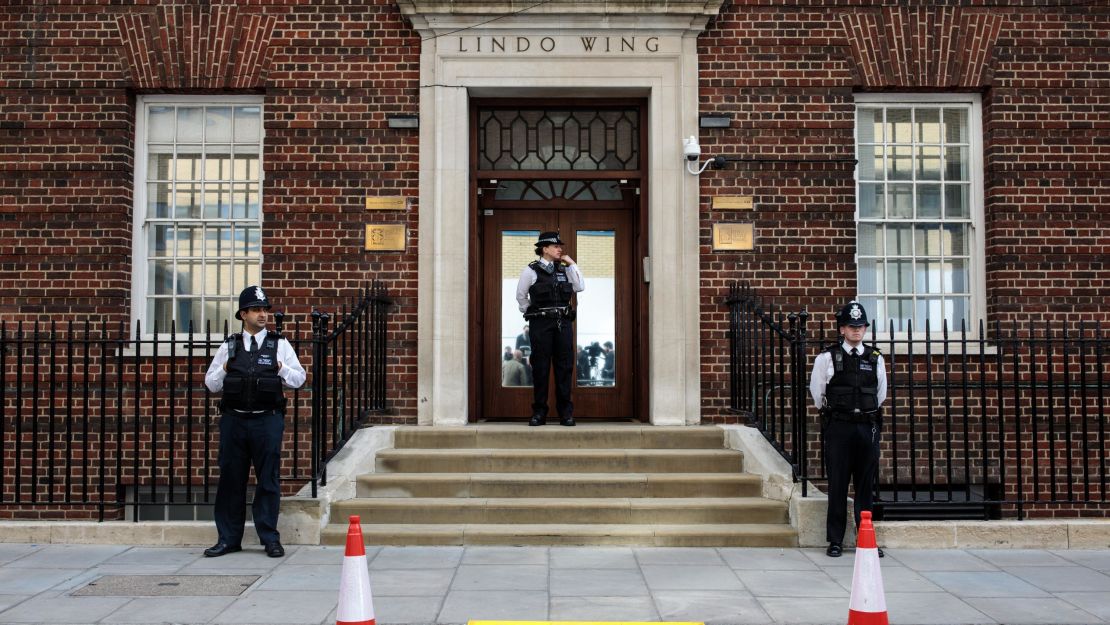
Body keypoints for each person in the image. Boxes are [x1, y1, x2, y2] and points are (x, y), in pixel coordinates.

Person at [203, 286, 306, 558]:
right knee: (231, 480)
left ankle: (269, 538)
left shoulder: (279, 345)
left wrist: (280, 367)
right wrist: (226, 367)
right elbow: (211, 384)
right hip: (234, 420)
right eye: (257, 310)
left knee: (268, 481)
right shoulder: (229, 345)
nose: (263, 314)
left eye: (265, 310)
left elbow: (300, 379)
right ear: (243, 314)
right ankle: (228, 538)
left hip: (267, 421)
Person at [810, 300, 887, 558]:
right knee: (838, 484)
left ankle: (866, 540)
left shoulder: (875, 358)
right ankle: (835, 540)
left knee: (865, 486)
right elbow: (818, 392)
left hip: (866, 427)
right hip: (839, 427)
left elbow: (880, 393)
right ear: (842, 329)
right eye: (851, 326)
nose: (857, 331)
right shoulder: (827, 358)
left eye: (860, 326)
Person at [516, 231, 584, 426]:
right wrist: (533, 312)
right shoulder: (530, 270)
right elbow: (521, 297)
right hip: (541, 323)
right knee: (541, 368)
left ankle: (566, 413)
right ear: (544, 249)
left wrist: (572, 264)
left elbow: (580, 286)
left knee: (564, 368)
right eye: (555, 246)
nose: (560, 249)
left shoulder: (565, 269)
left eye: (559, 246)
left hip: (563, 323)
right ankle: (539, 413)